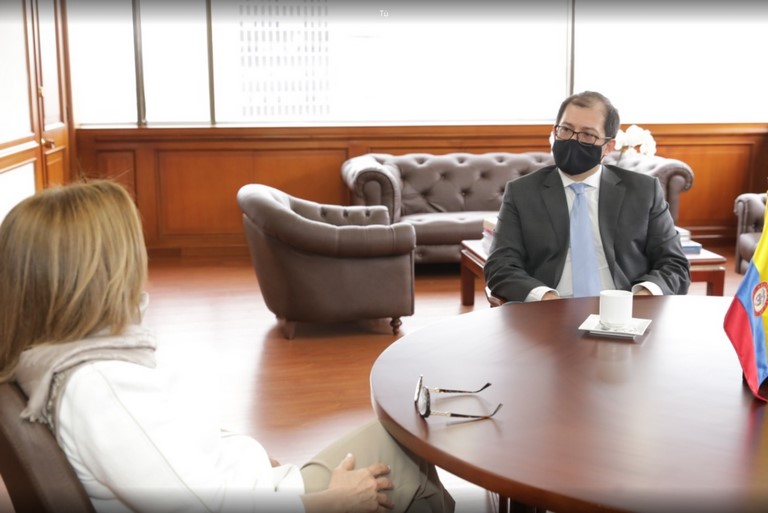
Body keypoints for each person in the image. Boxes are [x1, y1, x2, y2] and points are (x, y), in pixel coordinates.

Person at [0, 180, 455, 513]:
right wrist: (331, 502)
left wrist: (255, 457)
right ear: (95, 276)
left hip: (263, 485)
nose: (139, 266)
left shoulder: (69, 361)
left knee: (398, 443)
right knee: (403, 449)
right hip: (282, 501)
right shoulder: (102, 387)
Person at [484, 91, 690, 303]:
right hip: (550, 308)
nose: (573, 139)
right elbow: (500, 265)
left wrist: (641, 298)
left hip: (625, 308)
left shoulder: (643, 191)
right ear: (554, 132)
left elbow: (674, 264)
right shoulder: (522, 192)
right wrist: (544, 298)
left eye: (587, 135)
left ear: (608, 147)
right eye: (566, 129)